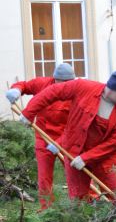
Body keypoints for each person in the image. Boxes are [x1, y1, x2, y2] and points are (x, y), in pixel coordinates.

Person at [19, 70, 116, 201]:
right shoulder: (83, 87)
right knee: (79, 200)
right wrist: (29, 112)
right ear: (113, 89)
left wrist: (86, 158)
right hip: (74, 152)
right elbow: (53, 92)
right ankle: (89, 220)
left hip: (105, 158)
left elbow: (113, 143)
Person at [5, 63, 75, 210]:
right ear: (55, 79)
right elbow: (24, 85)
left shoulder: (76, 93)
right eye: (61, 83)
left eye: (68, 83)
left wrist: (60, 143)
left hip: (66, 139)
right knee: (44, 177)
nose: (64, 86)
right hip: (43, 137)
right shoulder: (42, 84)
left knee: (75, 173)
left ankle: (83, 204)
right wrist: (16, 90)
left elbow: (76, 126)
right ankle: (46, 209)